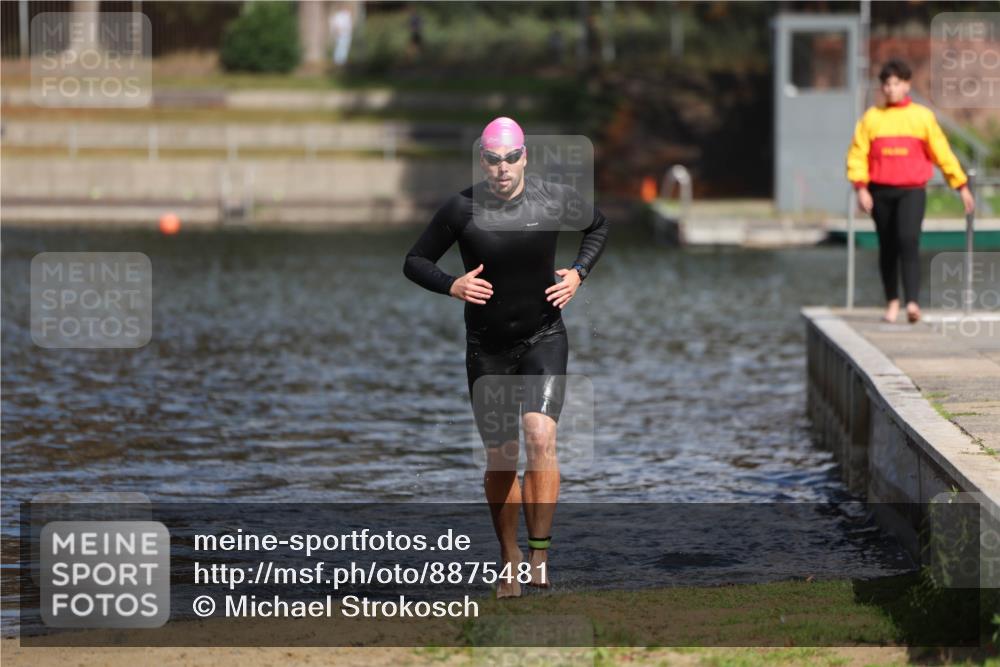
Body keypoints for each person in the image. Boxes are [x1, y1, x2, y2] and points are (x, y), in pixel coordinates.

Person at [403, 117, 609, 598]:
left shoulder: (553, 199)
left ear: (524, 158)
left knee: (540, 435)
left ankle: (540, 552)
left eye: (511, 158)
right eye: (493, 160)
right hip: (487, 348)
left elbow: (598, 225)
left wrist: (578, 273)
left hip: (543, 335)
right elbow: (414, 261)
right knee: (502, 457)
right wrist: (451, 284)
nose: (502, 168)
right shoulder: (461, 208)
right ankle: (510, 558)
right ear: (483, 160)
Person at [846, 58, 975, 323]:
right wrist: (861, 188)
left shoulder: (921, 117)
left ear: (906, 85)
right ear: (882, 88)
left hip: (912, 190)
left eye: (896, 83)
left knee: (908, 240)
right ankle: (892, 301)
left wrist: (960, 185)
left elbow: (942, 152)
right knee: (888, 246)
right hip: (880, 191)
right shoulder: (872, 118)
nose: (891, 89)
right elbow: (858, 155)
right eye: (886, 84)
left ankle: (913, 302)